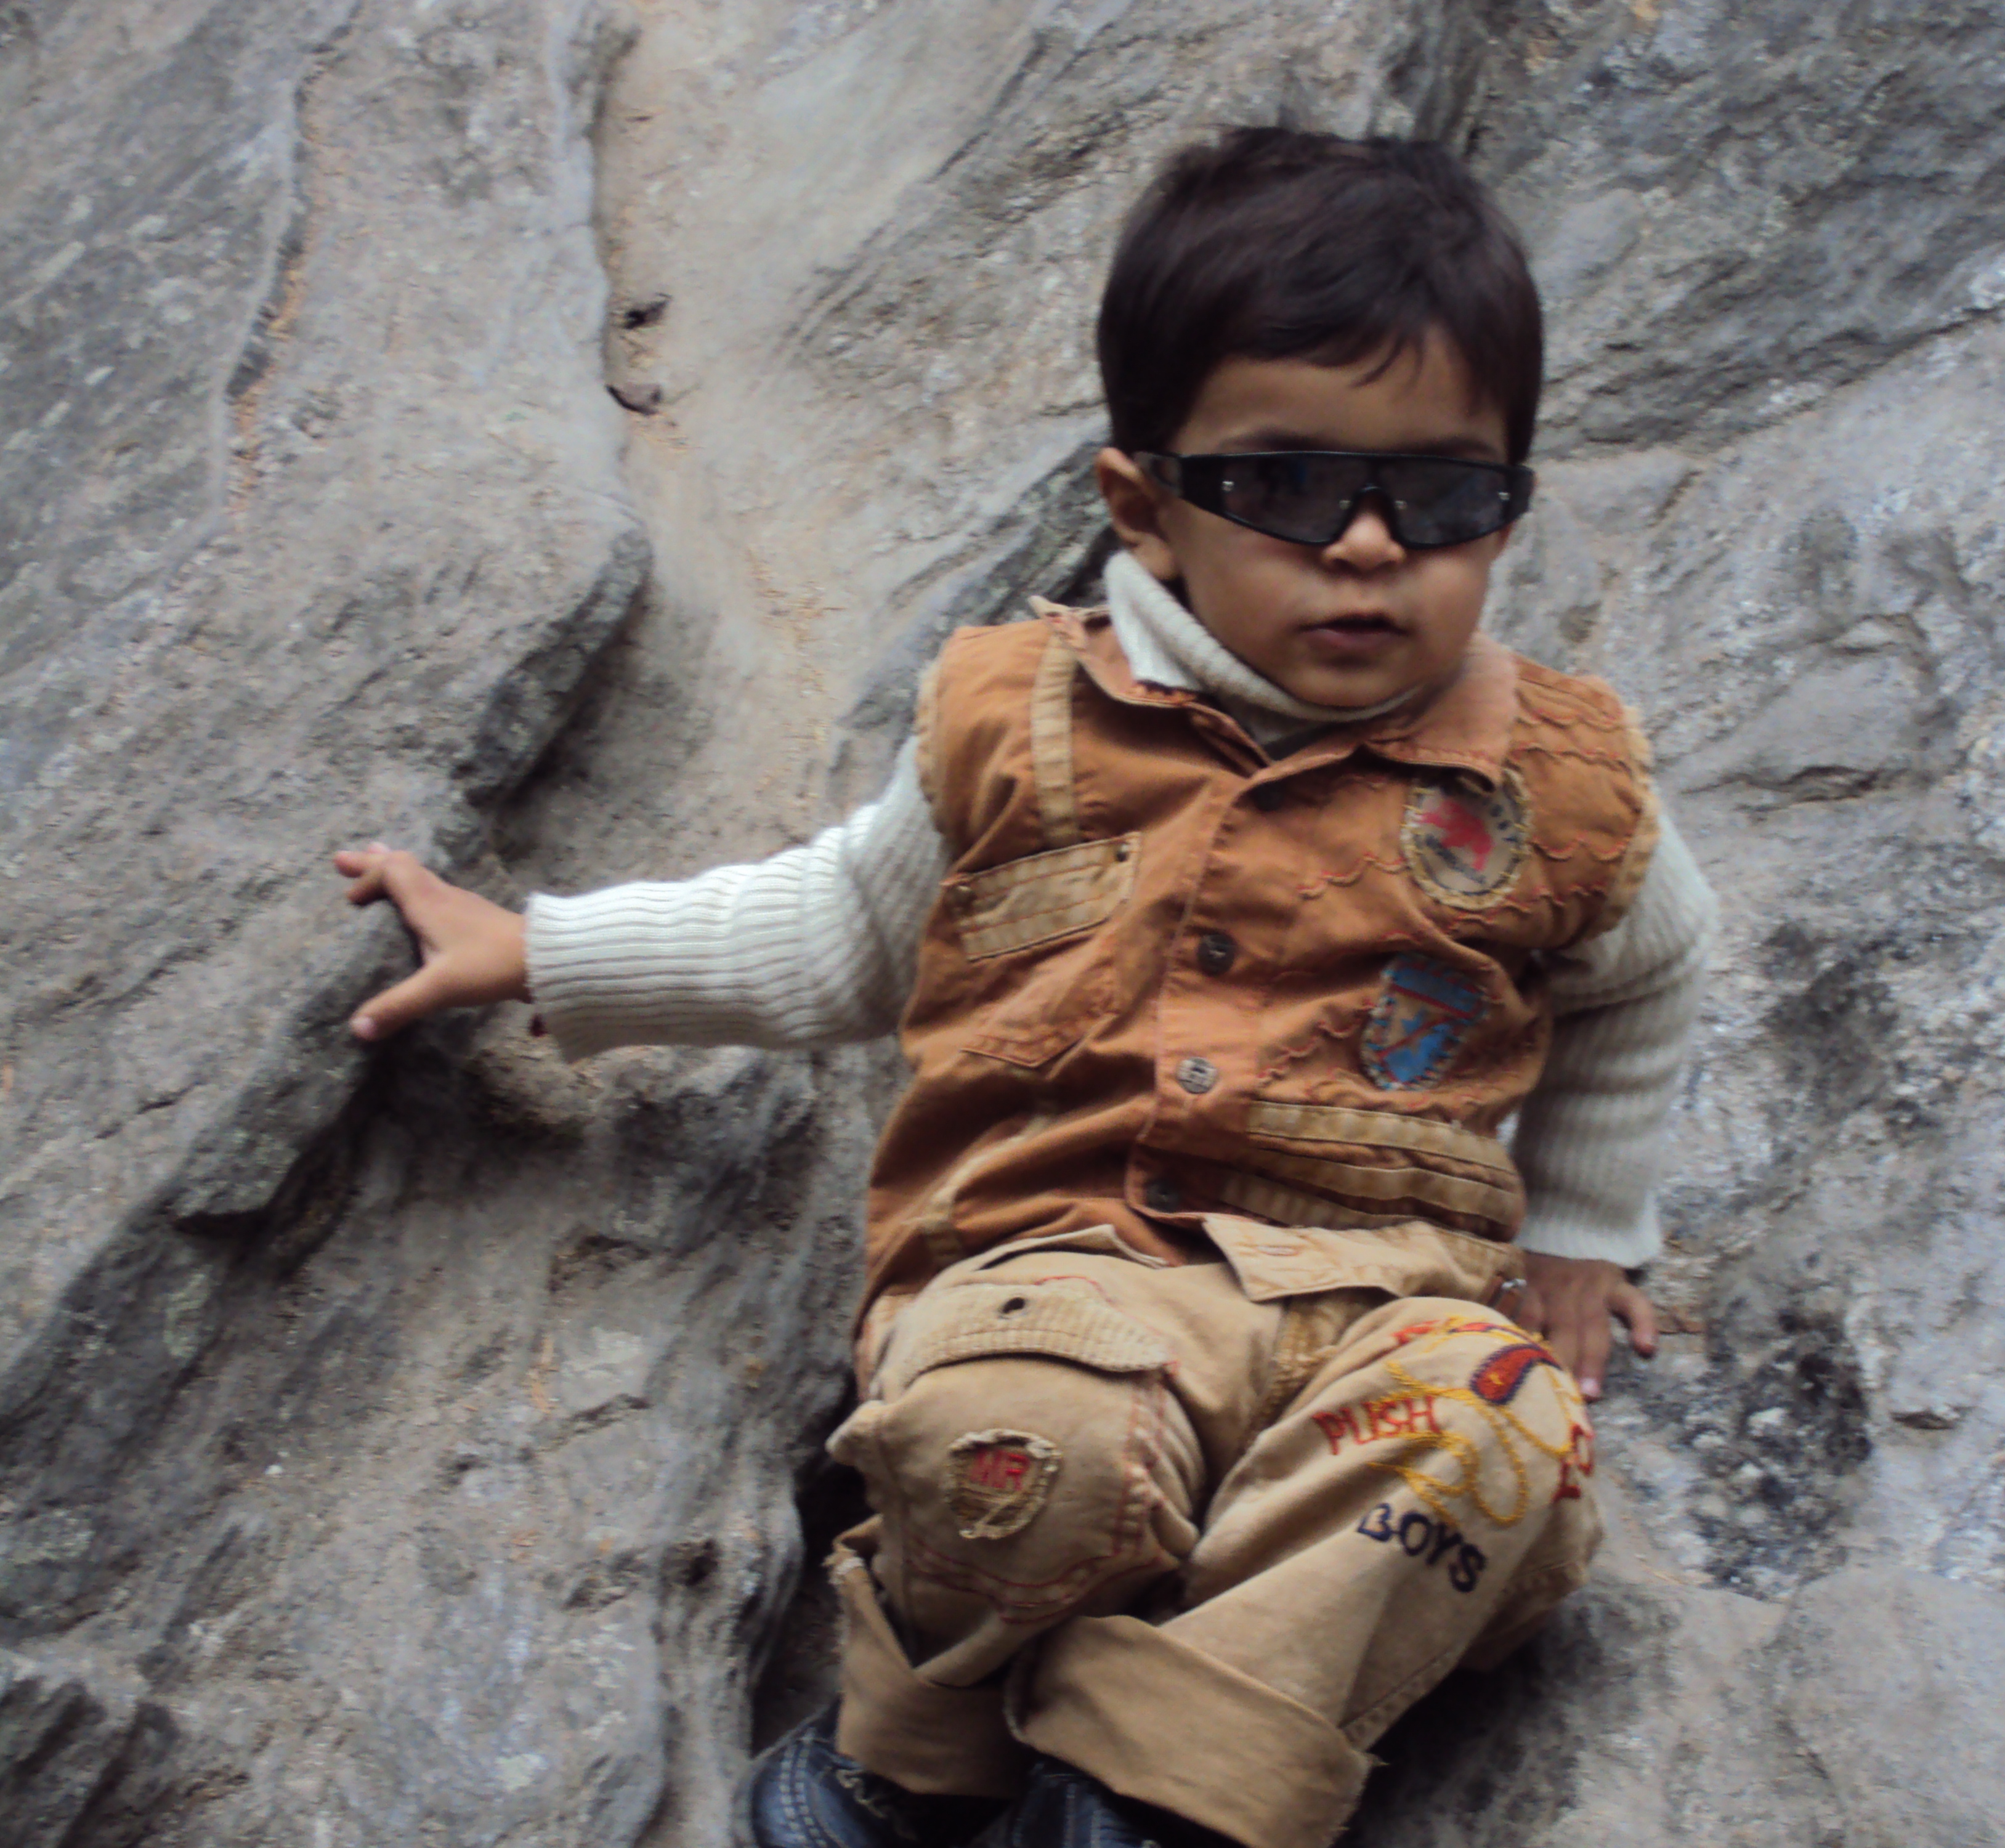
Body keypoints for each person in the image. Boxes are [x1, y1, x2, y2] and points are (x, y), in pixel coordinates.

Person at [334, 127, 1716, 1848]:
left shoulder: (1556, 778)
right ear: (1144, 506)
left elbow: (1652, 970)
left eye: (1441, 496)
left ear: (1507, 508)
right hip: (1060, 1268)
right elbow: (837, 935)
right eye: (1288, 487)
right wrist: (546, 951)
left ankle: (1161, 1789)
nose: (1369, 545)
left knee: (1499, 1446)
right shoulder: (1019, 720)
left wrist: (1581, 1232)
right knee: (1013, 1441)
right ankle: (917, 1747)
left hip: (1385, 1295)